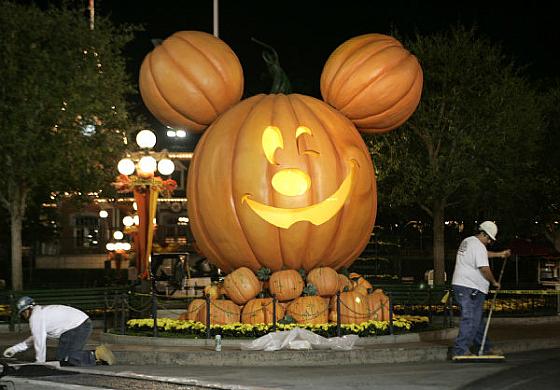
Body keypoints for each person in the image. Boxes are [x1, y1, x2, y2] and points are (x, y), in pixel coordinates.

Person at [451, 221, 511, 357]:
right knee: (470, 318)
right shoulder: (478, 246)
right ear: (483, 234)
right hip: (469, 287)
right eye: (489, 238)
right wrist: (494, 282)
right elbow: (484, 268)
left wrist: (499, 254)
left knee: (476, 318)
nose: (489, 241)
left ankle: (483, 347)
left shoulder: (469, 242)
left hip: (468, 286)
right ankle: (461, 350)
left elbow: (483, 254)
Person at [2, 296, 116, 366]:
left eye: (22, 313)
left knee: (69, 359)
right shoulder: (39, 312)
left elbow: (39, 343)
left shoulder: (35, 317)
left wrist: (40, 363)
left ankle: (94, 355)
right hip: (78, 325)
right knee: (62, 359)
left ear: (28, 309)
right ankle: (94, 355)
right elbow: (36, 338)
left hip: (77, 327)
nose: (23, 316)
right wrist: (14, 349)